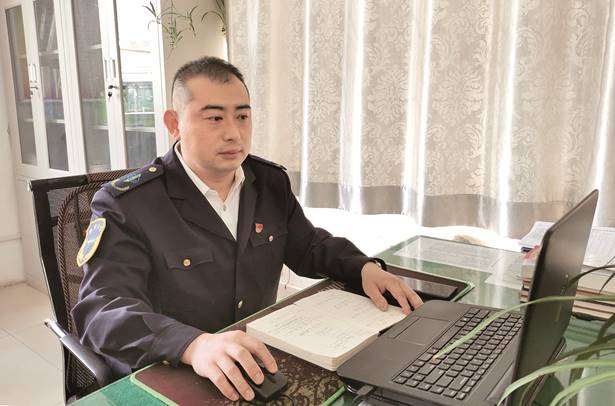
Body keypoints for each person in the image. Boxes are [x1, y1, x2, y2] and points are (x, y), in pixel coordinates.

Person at [72, 56, 423, 402]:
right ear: (174, 123)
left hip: (259, 365)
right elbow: (103, 309)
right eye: (214, 118)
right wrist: (193, 344)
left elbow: (308, 246)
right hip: (173, 371)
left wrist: (362, 268)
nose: (233, 133)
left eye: (242, 116)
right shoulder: (128, 204)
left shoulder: (268, 182)